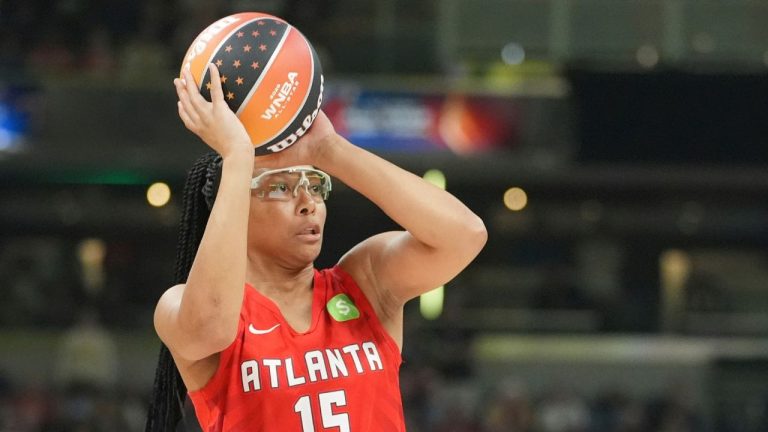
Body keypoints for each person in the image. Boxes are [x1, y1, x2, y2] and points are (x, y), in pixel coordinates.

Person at [145, 63, 487, 431]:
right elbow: (210, 327)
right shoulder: (179, 305)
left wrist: (331, 150)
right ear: (233, 204)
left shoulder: (364, 281)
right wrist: (238, 157)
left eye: (314, 184)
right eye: (280, 187)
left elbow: (465, 234)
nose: (308, 201)